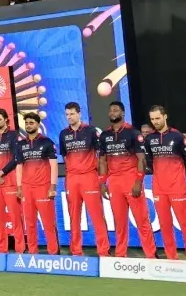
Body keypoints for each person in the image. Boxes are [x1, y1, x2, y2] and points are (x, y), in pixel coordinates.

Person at [100, 101, 156, 258]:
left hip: (131, 179)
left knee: (142, 220)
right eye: (110, 110)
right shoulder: (105, 135)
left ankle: (151, 254)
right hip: (114, 181)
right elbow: (102, 161)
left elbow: (142, 160)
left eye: (116, 110)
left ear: (123, 113)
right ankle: (120, 254)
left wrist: (138, 181)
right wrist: (102, 182)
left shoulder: (133, 132)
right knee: (119, 221)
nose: (112, 112)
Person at [144, 105, 186, 261]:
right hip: (159, 189)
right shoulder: (149, 139)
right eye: (152, 119)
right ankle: (171, 257)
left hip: (177, 188)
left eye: (158, 118)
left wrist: (178, 177)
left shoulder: (178, 137)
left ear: (165, 117)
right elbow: (149, 162)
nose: (155, 122)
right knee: (165, 225)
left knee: (185, 225)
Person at [59, 102, 106, 257]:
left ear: (79, 113)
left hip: (89, 176)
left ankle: (103, 251)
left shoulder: (91, 131)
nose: (69, 117)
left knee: (97, 216)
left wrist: (100, 178)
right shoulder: (63, 134)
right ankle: (76, 251)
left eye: (72, 114)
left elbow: (100, 156)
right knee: (74, 216)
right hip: (72, 178)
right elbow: (65, 156)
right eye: (67, 114)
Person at [0, 108, 25, 252]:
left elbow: (16, 158)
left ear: (6, 119)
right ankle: (2, 248)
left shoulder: (14, 135)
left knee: (15, 217)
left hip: (10, 182)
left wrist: (1, 172)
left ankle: (20, 247)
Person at [19, 112, 60, 255]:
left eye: (31, 123)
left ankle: (53, 252)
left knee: (48, 223)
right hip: (26, 188)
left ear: (38, 125)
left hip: (43, 187)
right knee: (29, 224)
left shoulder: (47, 142)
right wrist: (19, 187)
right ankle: (32, 252)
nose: (28, 125)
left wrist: (53, 186)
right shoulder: (21, 144)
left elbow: (54, 165)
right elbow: (19, 166)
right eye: (27, 123)